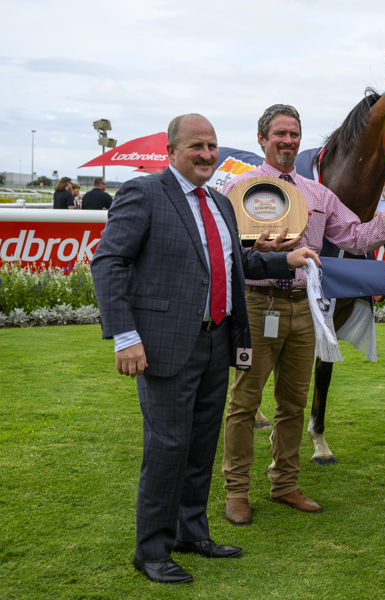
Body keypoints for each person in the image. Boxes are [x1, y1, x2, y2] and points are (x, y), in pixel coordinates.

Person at [91, 113, 317, 584]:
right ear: (171, 151)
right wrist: (125, 336)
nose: (207, 154)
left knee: (200, 444)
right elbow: (109, 261)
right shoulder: (144, 193)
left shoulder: (218, 201)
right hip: (166, 344)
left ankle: (191, 533)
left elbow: (236, 263)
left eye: (212, 145)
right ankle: (152, 550)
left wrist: (285, 259)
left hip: (217, 340)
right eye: (197, 145)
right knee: (168, 446)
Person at [220, 104, 385, 526]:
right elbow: (220, 248)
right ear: (262, 138)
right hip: (257, 303)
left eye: (294, 134)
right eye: (280, 133)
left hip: (303, 306)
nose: (288, 141)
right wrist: (251, 249)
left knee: (293, 404)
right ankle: (236, 490)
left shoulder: (318, 194)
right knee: (244, 402)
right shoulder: (237, 188)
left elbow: (356, 237)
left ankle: (284, 483)